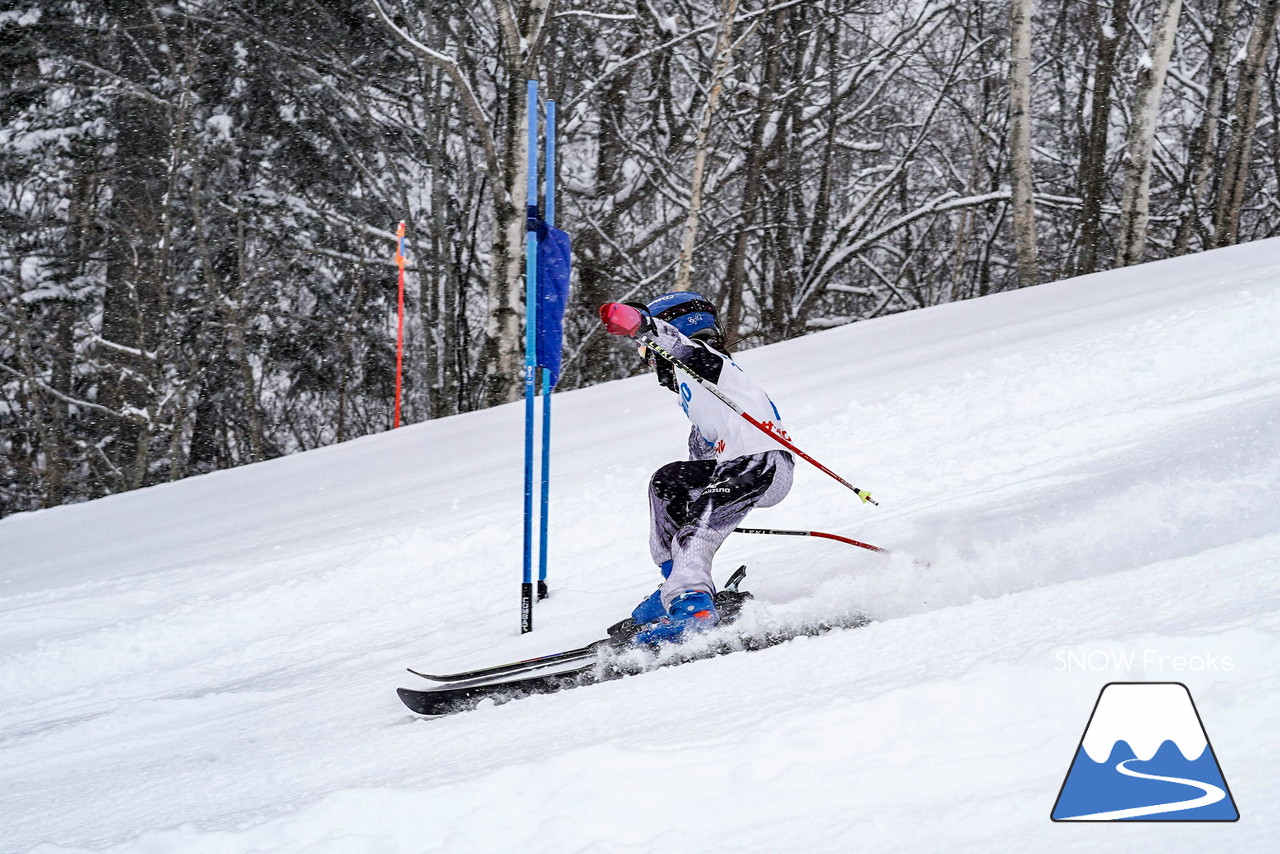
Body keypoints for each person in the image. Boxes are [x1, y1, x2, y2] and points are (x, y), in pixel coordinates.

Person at [598, 292, 795, 645]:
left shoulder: (709, 361)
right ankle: (674, 585)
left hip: (759, 462)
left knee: (696, 534)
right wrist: (696, 504)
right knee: (667, 481)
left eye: (647, 353)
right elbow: (700, 460)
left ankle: (694, 608)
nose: (649, 363)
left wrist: (640, 325)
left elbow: (679, 345)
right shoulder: (695, 391)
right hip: (735, 468)